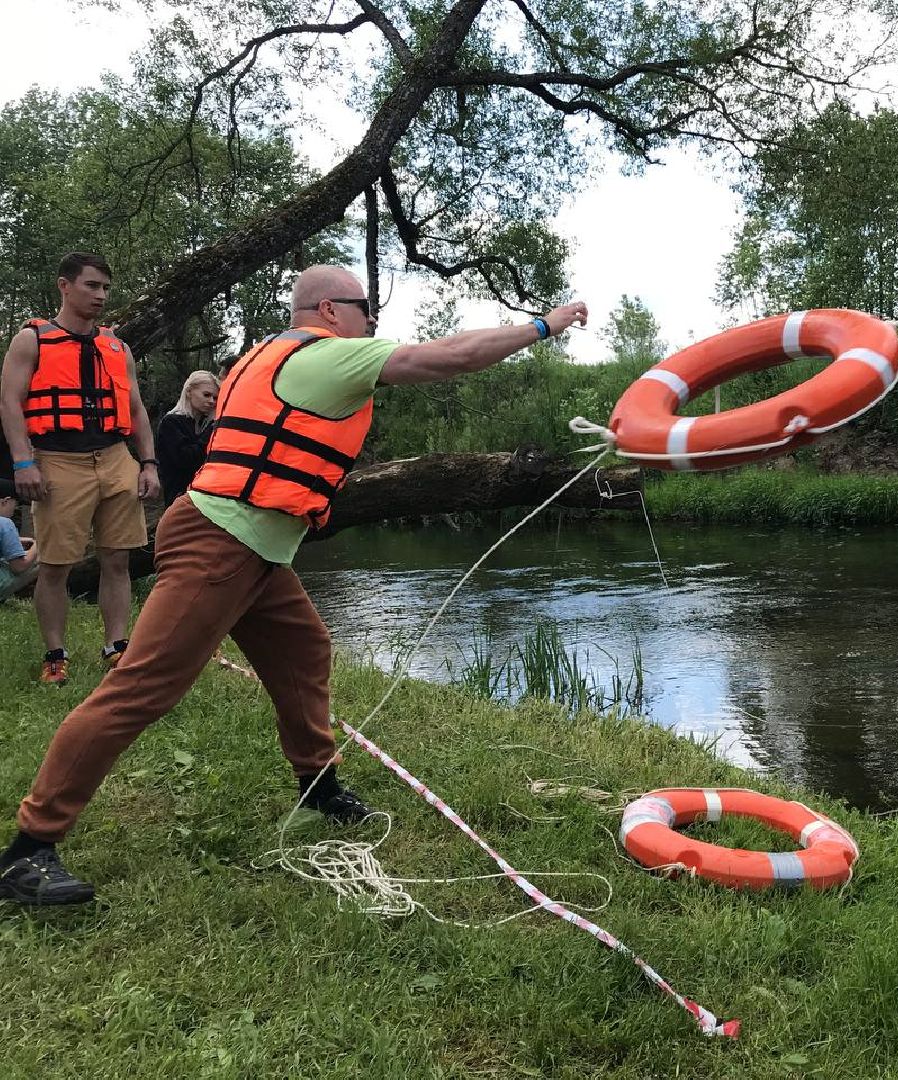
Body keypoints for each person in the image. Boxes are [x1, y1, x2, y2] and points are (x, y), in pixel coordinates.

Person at [0, 264, 587, 905]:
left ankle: (320, 790)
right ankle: (28, 849)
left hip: (249, 546)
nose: (371, 320)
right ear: (331, 310)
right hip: (220, 544)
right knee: (141, 688)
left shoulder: (269, 355)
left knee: (305, 651)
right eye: (365, 306)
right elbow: (445, 357)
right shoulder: (322, 356)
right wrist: (544, 324)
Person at [0, 252, 160, 686]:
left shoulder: (116, 346)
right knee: (54, 565)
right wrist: (23, 461)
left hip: (113, 457)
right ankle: (55, 654)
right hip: (57, 460)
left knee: (118, 559)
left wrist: (147, 463)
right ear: (65, 286)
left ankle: (116, 646)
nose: (101, 296)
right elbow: (10, 404)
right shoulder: (31, 340)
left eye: (106, 288)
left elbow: (136, 410)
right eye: (92, 286)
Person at [155, 370, 220, 506]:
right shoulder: (171, 423)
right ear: (189, 392)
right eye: (206, 395)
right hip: (179, 498)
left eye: (215, 398)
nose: (211, 401)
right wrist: (210, 432)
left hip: (204, 497)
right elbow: (185, 460)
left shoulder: (204, 424)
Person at [0, 478, 40, 602]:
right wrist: (39, 544)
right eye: (15, 504)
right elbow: (19, 567)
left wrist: (17, 540)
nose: (15, 509)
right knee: (45, 561)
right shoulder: (5, 523)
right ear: (5, 501)